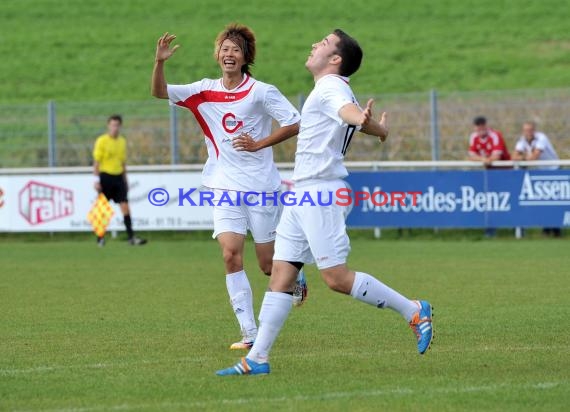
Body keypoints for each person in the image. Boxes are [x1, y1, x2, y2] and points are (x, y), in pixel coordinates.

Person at [216, 29, 433, 376]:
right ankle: (257, 359)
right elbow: (352, 118)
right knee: (281, 277)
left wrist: (358, 117)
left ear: (335, 60)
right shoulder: (330, 88)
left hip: (321, 194)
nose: (314, 44)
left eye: (324, 43)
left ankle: (414, 310)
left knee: (335, 278)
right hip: (302, 193)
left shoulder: (332, 87)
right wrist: (377, 128)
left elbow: (346, 111)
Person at [151, 24, 308, 350]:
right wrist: (160, 62)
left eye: (236, 49)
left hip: (262, 187)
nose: (229, 54)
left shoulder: (261, 91)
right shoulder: (203, 90)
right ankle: (249, 333)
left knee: (268, 266)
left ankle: (294, 275)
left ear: (245, 56)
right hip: (223, 186)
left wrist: (260, 143)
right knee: (230, 255)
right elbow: (160, 92)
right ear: (218, 55)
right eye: (225, 48)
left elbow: (295, 122)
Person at [93, 115, 147, 247]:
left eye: (117, 125)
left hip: (118, 178)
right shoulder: (102, 141)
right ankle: (100, 238)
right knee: (103, 209)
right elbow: (96, 162)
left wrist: (125, 180)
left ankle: (131, 237)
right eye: (112, 125)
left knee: (125, 207)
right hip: (105, 177)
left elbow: (123, 163)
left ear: (120, 126)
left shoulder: (122, 141)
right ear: (108, 126)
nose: (115, 128)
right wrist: (96, 180)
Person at [513, 121, 561, 237]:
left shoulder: (541, 138)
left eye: (530, 130)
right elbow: (514, 156)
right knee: (543, 201)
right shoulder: (522, 141)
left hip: (554, 170)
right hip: (541, 172)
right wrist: (524, 157)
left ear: (534, 130)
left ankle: (556, 230)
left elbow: (535, 156)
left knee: (554, 201)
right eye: (526, 130)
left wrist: (523, 158)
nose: (528, 133)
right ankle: (546, 229)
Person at [468, 116, 510, 237]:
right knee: (490, 201)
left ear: (486, 125)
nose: (480, 129)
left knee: (506, 201)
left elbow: (496, 156)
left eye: (482, 126)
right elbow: (471, 155)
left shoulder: (495, 135)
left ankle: (518, 228)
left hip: (505, 173)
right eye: (478, 127)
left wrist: (486, 160)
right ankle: (491, 229)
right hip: (489, 175)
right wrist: (484, 160)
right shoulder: (473, 137)